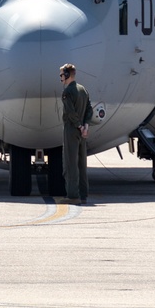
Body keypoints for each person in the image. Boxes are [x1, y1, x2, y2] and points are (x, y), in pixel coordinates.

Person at [59, 63, 93, 205]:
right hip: (82, 132)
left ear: (67, 75)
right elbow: (89, 110)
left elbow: (71, 112)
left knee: (70, 163)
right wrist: (85, 126)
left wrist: (79, 126)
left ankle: (73, 195)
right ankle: (83, 194)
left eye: (61, 75)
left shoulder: (68, 92)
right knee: (81, 163)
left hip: (72, 130)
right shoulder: (83, 90)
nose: (60, 78)